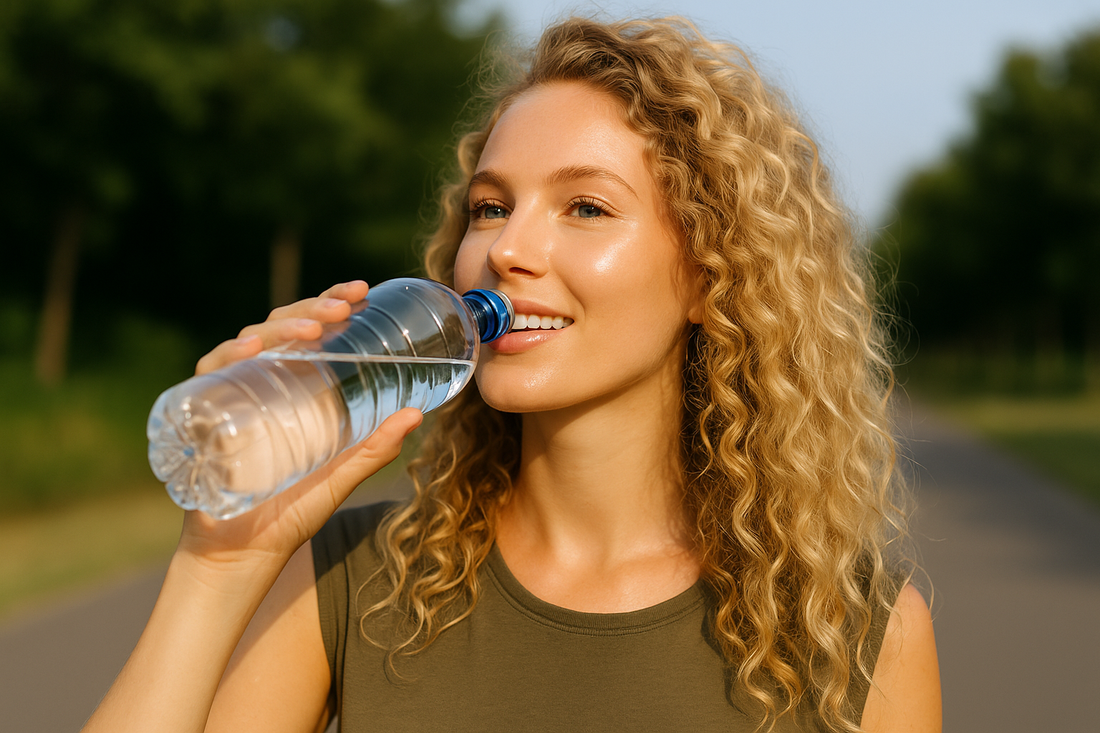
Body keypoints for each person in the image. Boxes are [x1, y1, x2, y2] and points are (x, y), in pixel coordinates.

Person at [84, 16, 940, 733]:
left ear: (711, 277)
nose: (508, 249)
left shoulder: (856, 632)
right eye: (492, 207)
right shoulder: (354, 577)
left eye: (586, 207)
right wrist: (219, 563)